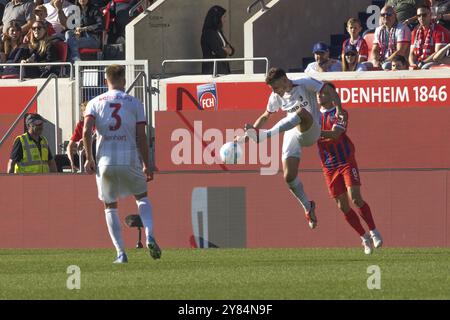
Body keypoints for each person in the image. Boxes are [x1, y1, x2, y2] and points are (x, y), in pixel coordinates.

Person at [236, 67, 344, 229]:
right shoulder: (275, 97)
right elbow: (266, 115)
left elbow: (328, 89)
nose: (274, 91)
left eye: (276, 87)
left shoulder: (304, 82)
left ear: (286, 80)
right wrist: (247, 136)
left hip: (311, 129)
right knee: (289, 176)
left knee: (301, 113)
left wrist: (340, 110)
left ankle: (264, 136)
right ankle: (308, 207)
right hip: (292, 132)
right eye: (272, 88)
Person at [83, 64, 161, 264]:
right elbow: (141, 136)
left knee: (110, 206)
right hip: (129, 158)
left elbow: (85, 131)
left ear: (105, 81)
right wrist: (147, 163)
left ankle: (120, 253)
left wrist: (89, 159)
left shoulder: (94, 102)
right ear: (124, 80)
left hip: (105, 161)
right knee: (142, 197)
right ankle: (150, 235)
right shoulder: (135, 103)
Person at [316, 82, 383, 254]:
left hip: (345, 161)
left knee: (355, 197)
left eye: (323, 93)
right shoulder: (314, 116)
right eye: (318, 93)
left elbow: (336, 134)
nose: (319, 95)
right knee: (342, 206)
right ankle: (364, 237)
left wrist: (313, 132)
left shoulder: (340, 113)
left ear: (332, 96)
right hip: (328, 166)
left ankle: (374, 231)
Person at [409, 5, 449, 69]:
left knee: (425, 67)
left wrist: (423, 62)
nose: (421, 18)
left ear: (430, 15)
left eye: (424, 15)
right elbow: (412, 53)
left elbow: (437, 55)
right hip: (419, 62)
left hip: (434, 61)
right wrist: (412, 64)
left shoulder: (440, 31)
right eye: (419, 16)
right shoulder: (415, 32)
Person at [372, 5, 412, 70]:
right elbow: (375, 50)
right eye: (383, 15)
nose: (385, 16)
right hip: (383, 60)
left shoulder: (402, 28)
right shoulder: (378, 30)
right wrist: (375, 60)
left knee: (385, 66)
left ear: (395, 15)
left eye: (389, 14)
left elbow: (400, 51)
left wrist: (384, 61)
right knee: (364, 66)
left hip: (398, 61)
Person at [201, 5, 234, 75]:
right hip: (212, 70)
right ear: (217, 18)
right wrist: (226, 50)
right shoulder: (209, 33)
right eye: (223, 17)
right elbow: (221, 52)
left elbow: (231, 50)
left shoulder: (218, 31)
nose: (225, 20)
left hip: (221, 68)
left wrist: (228, 50)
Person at [66, 101, 96, 172]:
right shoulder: (80, 125)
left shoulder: (98, 123)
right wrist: (72, 162)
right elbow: (69, 146)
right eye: (85, 112)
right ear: (83, 114)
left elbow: (96, 136)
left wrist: (84, 140)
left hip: (95, 155)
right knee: (58, 159)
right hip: (83, 156)